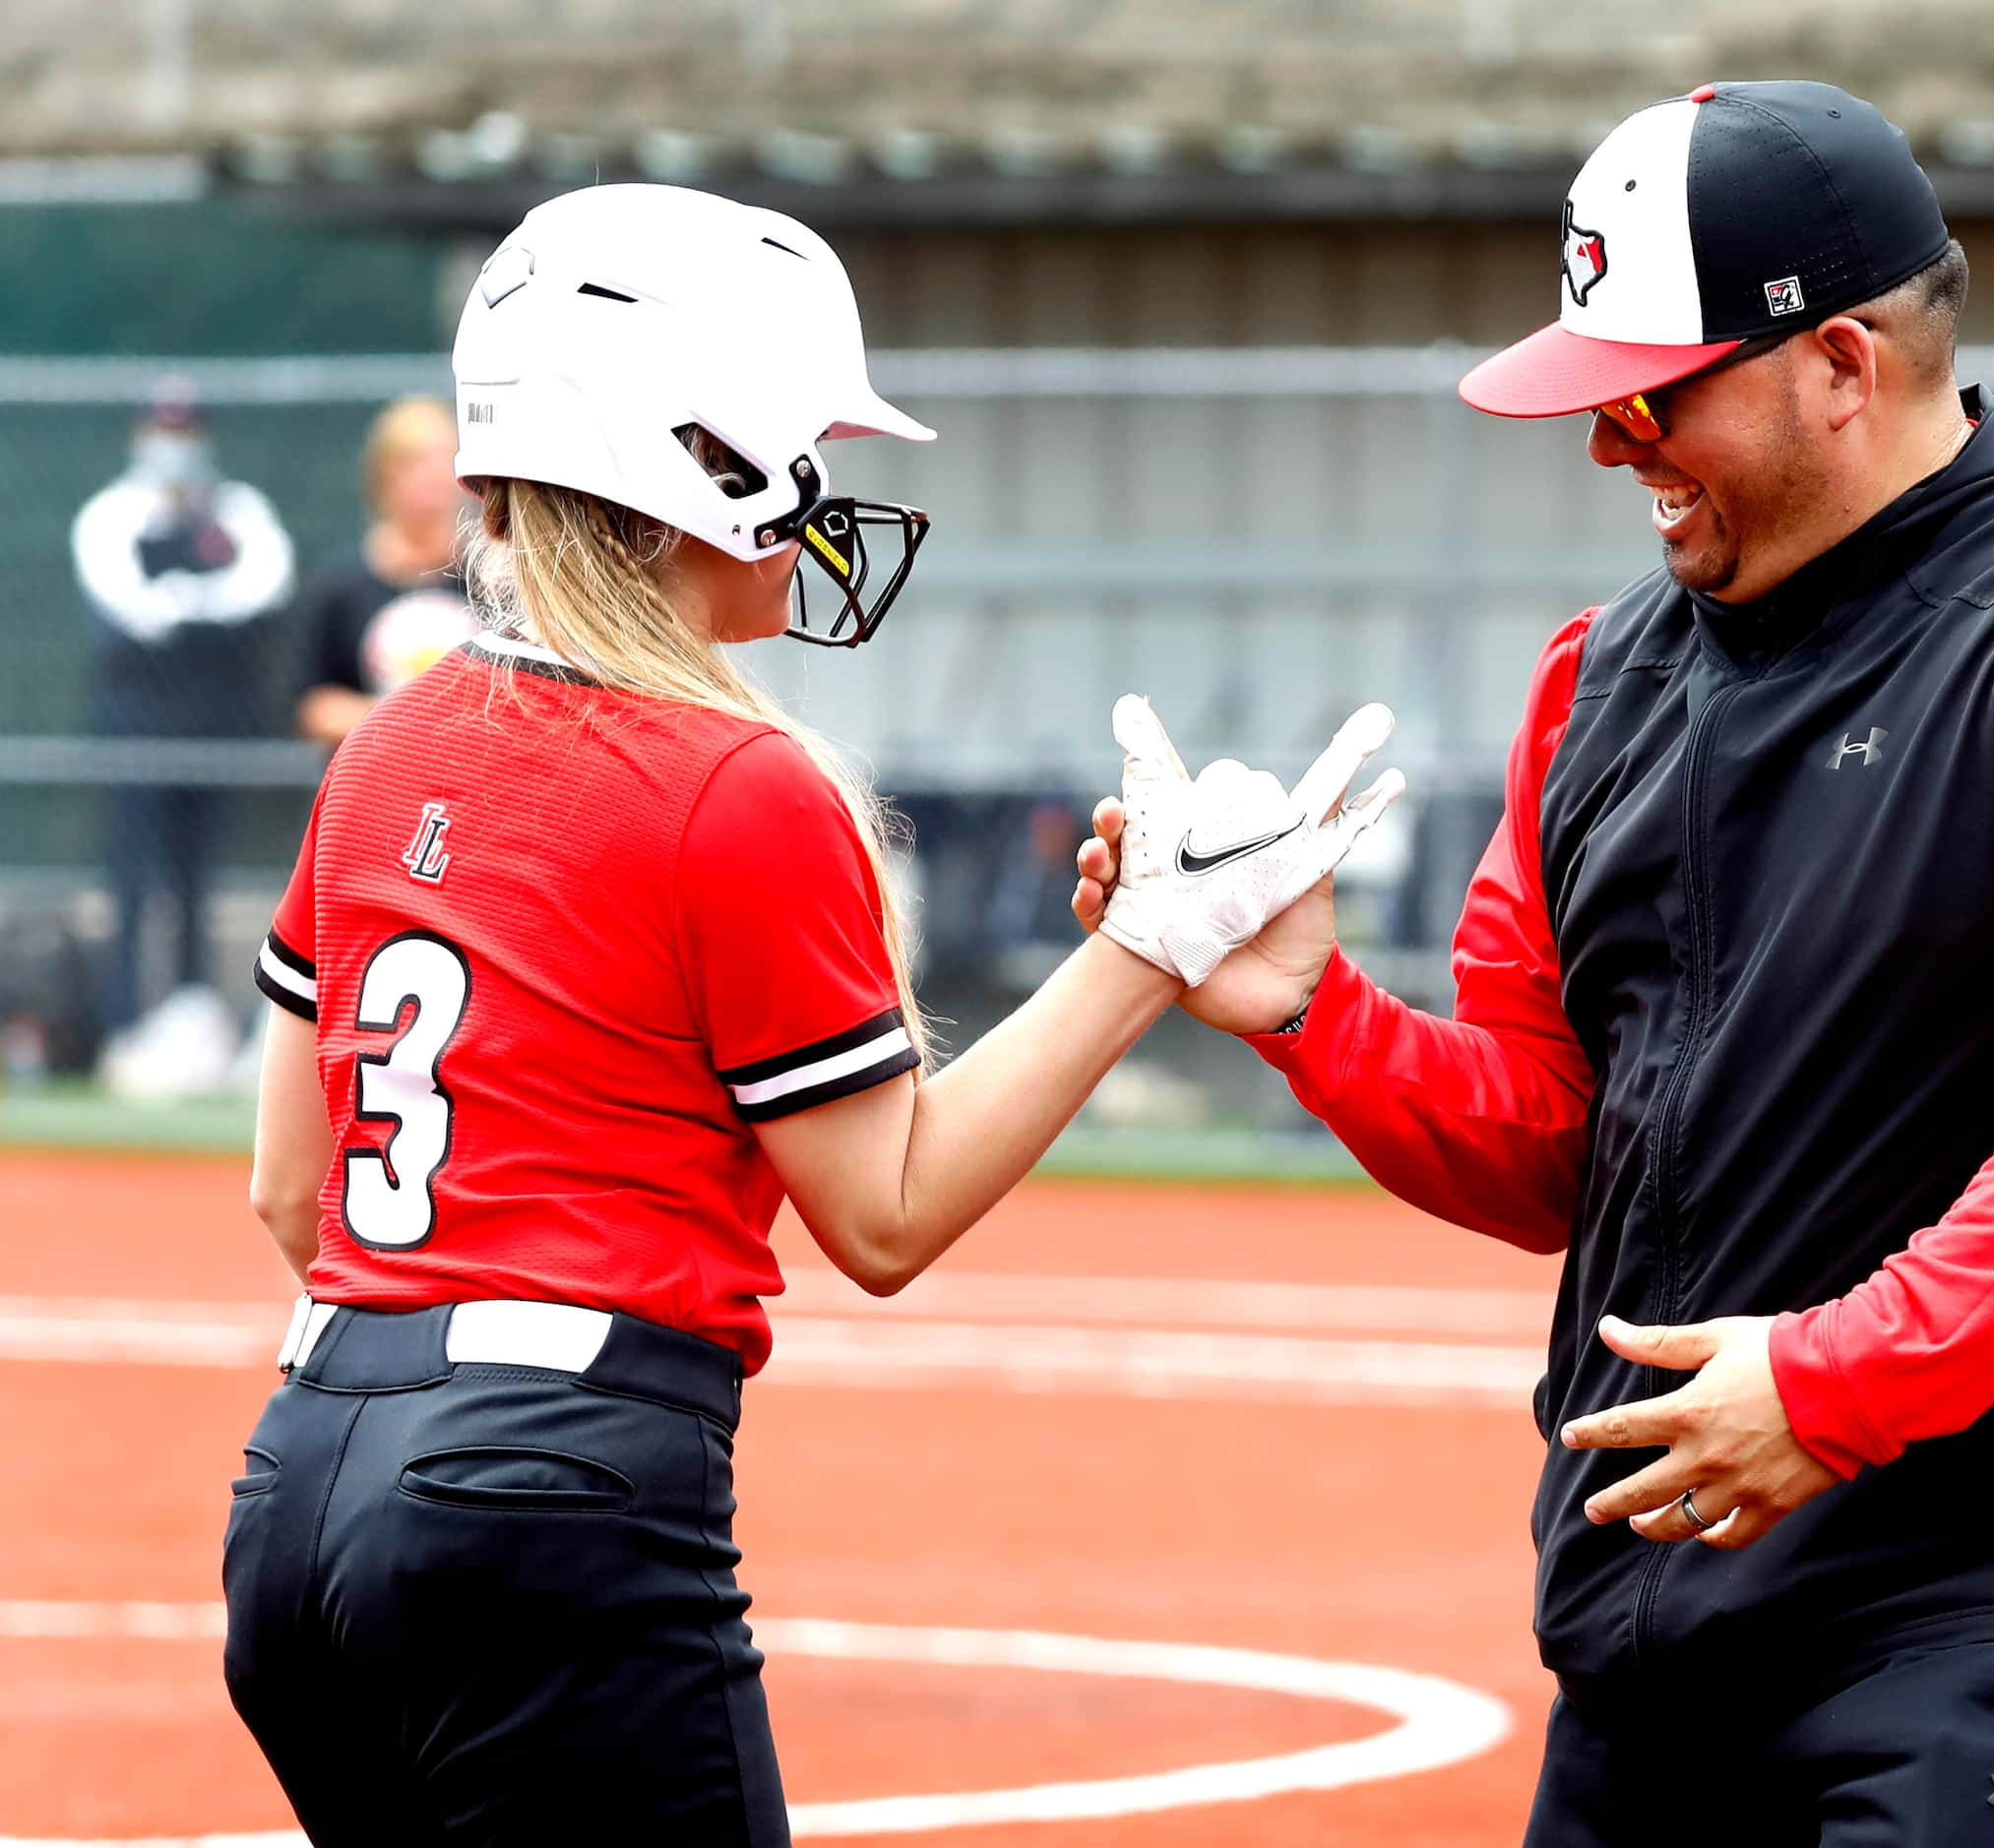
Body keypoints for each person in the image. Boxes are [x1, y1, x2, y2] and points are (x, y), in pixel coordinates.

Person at [1075, 82, 1994, 1844]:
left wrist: (1834, 1381)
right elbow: (1555, 1153)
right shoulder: (1599, 675)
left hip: (1992, 1609)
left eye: (1648, 391)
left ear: (1837, 363)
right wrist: (1307, 1009)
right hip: (1660, 1604)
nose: (1608, 442)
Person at [227, 182, 1400, 1842]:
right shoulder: (739, 781)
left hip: (299, 1478)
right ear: (697, 460)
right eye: (803, 448)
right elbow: (885, 1209)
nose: (824, 496)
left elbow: (292, 1189)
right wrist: (1148, 941)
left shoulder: (385, 744)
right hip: (556, 1481)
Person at [70, 376, 295, 1082]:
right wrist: (197, 608)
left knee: (202, 881)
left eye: (187, 427)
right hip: (135, 729)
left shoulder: (238, 511)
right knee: (134, 880)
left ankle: (200, 1028)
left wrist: (188, 605)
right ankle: (126, 1030)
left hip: (217, 727)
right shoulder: (113, 514)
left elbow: (265, 587)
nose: (177, 444)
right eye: (165, 428)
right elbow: (130, 608)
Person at [294, 395, 478, 746]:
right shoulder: (341, 586)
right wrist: (414, 718)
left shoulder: (492, 581)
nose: (435, 477)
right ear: (382, 476)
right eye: (416, 463)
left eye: (446, 460)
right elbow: (313, 706)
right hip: (374, 777)